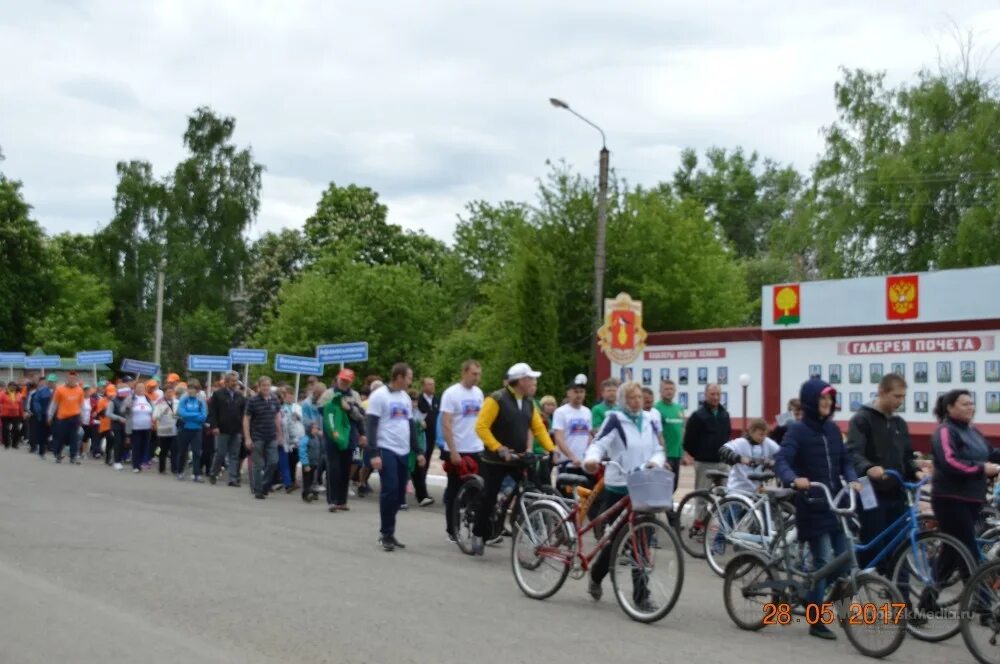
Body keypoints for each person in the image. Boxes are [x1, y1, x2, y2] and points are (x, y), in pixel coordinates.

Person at [774, 379, 860, 641]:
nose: (827, 403)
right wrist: (793, 479)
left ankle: (814, 593)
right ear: (811, 401)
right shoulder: (797, 431)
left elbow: (845, 460)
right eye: (822, 399)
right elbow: (781, 459)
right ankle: (815, 619)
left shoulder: (833, 430)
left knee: (845, 561)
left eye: (830, 399)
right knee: (823, 561)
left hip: (836, 504)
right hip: (812, 503)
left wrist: (853, 477)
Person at [583, 381, 666, 604]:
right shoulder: (614, 419)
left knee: (640, 543)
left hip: (643, 485)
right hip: (618, 486)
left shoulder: (651, 419)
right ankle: (596, 575)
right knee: (613, 543)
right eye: (631, 397)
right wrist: (592, 459)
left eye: (639, 397)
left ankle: (641, 596)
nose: (637, 401)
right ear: (623, 400)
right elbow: (599, 444)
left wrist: (656, 463)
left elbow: (659, 449)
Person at [472, 362, 557, 555]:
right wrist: (498, 447)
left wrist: (552, 449)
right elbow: (481, 427)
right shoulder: (497, 398)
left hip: (518, 458)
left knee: (533, 489)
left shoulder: (528, 402)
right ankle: (478, 534)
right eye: (531, 379)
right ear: (521, 381)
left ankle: (524, 524)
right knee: (489, 497)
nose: (534, 382)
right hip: (495, 459)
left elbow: (538, 428)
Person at [846, 374, 921, 571]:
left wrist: (916, 471)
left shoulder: (899, 423)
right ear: (882, 392)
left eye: (903, 397)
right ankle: (860, 582)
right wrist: (868, 468)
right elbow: (853, 452)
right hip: (869, 488)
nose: (900, 401)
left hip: (896, 489)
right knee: (873, 543)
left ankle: (898, 594)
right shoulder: (861, 419)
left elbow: (906, 455)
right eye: (896, 396)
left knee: (897, 544)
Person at [929, 389, 1000, 563]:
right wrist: (981, 469)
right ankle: (979, 590)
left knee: (953, 552)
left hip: (972, 498)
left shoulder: (973, 431)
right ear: (950, 408)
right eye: (965, 404)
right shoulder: (945, 431)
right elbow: (950, 462)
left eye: (972, 403)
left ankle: (931, 590)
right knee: (968, 552)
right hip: (951, 499)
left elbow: (989, 454)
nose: (971, 407)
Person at [367, 363, 425, 551]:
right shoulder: (379, 396)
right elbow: (372, 426)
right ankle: (385, 533)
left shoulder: (405, 398)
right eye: (409, 377)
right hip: (386, 449)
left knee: (399, 494)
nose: (410, 381)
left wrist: (418, 452)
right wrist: (374, 452)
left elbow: (410, 426)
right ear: (399, 376)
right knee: (389, 489)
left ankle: (391, 533)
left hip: (403, 450)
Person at [441, 360, 485, 542]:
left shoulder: (479, 393)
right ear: (465, 372)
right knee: (454, 491)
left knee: (478, 491)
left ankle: (476, 527)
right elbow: (446, 424)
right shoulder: (451, 393)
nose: (477, 378)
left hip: (476, 448)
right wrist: (453, 451)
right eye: (474, 374)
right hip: (458, 449)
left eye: (479, 374)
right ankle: (452, 529)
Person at [682, 384, 732, 525]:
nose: (715, 397)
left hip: (723, 463)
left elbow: (727, 436)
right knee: (702, 496)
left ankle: (726, 527)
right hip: (704, 463)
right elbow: (688, 441)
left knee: (728, 496)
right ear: (705, 395)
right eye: (712, 394)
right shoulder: (698, 416)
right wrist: (699, 455)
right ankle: (699, 525)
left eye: (718, 394)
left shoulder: (725, 415)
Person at [323, 369, 366, 512]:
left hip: (350, 436)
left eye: (347, 380)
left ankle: (342, 501)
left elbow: (361, 416)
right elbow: (321, 411)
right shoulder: (329, 394)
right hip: (333, 436)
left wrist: (349, 408)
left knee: (346, 468)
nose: (344, 382)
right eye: (342, 379)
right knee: (334, 468)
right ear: (337, 378)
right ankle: (333, 500)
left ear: (351, 381)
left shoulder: (354, 395)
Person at [244, 376, 283, 500]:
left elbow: (277, 418)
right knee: (258, 464)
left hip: (271, 436)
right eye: (263, 385)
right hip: (257, 436)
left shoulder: (274, 399)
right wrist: (247, 438)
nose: (266, 388)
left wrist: (280, 434)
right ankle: (258, 490)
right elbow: (246, 419)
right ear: (259, 386)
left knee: (273, 462)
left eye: (268, 385)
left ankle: (264, 485)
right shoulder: (253, 400)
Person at [209, 372, 247, 487]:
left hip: (236, 430)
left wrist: (242, 430)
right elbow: (213, 412)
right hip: (222, 429)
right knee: (220, 453)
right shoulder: (218, 394)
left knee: (234, 455)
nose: (235, 383)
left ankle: (232, 479)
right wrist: (214, 426)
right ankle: (213, 473)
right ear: (226, 382)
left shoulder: (240, 396)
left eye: (236, 381)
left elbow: (244, 414)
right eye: (232, 381)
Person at [551, 374, 593, 471]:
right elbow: (558, 437)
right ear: (568, 393)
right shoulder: (561, 412)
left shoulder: (587, 412)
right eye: (576, 392)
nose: (579, 395)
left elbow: (589, 436)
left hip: (583, 463)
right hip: (567, 463)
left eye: (582, 392)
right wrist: (571, 457)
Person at [412, 376, 440, 507]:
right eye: (429, 384)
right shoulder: (418, 400)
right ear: (423, 386)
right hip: (420, 436)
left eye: (433, 384)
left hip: (432, 435)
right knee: (419, 463)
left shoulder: (436, 400)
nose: (432, 386)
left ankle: (422, 489)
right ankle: (421, 492)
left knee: (426, 462)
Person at [653, 379, 686, 490]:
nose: (669, 391)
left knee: (674, 486)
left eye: (671, 389)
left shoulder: (679, 408)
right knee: (663, 487)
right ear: (660, 391)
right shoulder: (656, 408)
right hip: (664, 455)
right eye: (666, 389)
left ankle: (668, 507)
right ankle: (666, 508)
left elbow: (682, 430)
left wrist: (683, 452)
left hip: (676, 454)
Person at [49, 371, 86, 464]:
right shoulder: (60, 389)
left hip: (75, 417)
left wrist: (83, 417)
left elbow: (82, 405)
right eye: (70, 378)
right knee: (60, 437)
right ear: (67, 379)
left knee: (74, 437)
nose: (72, 380)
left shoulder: (80, 390)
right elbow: (54, 404)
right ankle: (57, 454)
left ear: (76, 380)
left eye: (74, 378)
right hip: (62, 417)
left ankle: (73, 456)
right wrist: (50, 415)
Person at [175, 380, 208, 481]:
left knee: (197, 452)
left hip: (197, 430)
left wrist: (190, 416)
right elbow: (181, 413)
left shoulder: (201, 400)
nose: (190, 391)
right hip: (184, 429)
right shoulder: (183, 399)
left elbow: (203, 416)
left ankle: (196, 474)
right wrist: (195, 415)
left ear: (197, 390)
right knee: (182, 452)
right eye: (189, 388)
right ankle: (180, 471)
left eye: (193, 389)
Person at [128, 380, 154, 473]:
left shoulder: (147, 398)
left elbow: (152, 410)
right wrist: (129, 406)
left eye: (142, 387)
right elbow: (124, 410)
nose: (140, 389)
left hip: (147, 427)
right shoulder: (132, 398)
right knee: (136, 446)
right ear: (135, 389)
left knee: (144, 446)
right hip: (135, 427)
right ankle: (135, 465)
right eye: (138, 387)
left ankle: (140, 462)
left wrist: (153, 421)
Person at [153, 385, 179, 474]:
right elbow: (155, 416)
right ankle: (162, 468)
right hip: (163, 428)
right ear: (164, 393)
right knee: (163, 449)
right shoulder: (160, 402)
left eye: (171, 392)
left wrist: (176, 416)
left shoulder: (176, 402)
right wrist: (162, 414)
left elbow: (178, 414)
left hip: (173, 428)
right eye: (168, 392)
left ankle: (174, 468)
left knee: (174, 449)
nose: (170, 394)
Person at [106, 385, 131, 471]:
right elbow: (108, 413)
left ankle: (120, 460)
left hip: (125, 425)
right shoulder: (113, 401)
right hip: (116, 426)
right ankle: (117, 461)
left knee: (124, 444)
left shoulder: (127, 401)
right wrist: (119, 418)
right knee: (118, 443)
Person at [30, 376, 53, 457]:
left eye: (53, 382)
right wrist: (39, 411)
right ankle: (42, 450)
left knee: (56, 433)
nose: (51, 383)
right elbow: (36, 402)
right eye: (50, 382)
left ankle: (56, 451)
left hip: (55, 416)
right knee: (43, 433)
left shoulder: (58, 391)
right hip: (43, 415)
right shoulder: (42, 392)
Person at [1, 381, 23, 450]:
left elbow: (20, 405)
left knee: (17, 429)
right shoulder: (2, 394)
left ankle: (14, 444)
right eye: (12, 386)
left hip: (16, 414)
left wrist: (22, 414)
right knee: (6, 429)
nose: (13, 387)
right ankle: (7, 444)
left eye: (15, 386)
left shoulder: (19, 394)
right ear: (8, 386)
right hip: (5, 414)